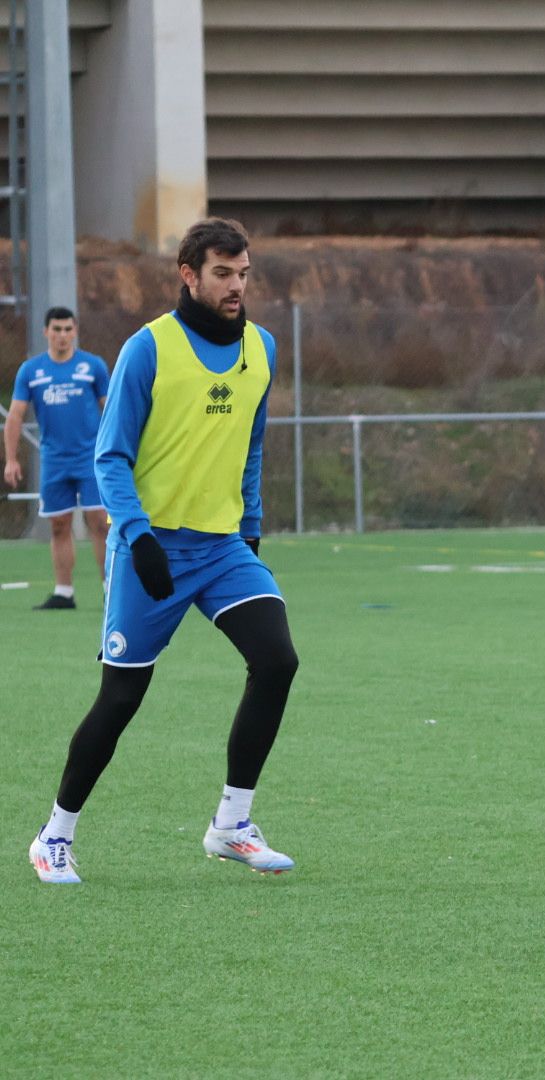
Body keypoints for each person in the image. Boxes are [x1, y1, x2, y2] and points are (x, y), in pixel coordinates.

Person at [27, 218, 299, 884]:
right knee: (121, 698)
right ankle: (54, 835)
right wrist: (138, 534)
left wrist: (252, 524)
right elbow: (110, 455)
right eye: (222, 275)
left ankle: (231, 825)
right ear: (189, 274)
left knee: (277, 660)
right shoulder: (148, 349)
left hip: (222, 547)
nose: (237, 287)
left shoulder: (260, 348)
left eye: (243, 275)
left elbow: (252, 447)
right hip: (151, 548)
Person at [4, 307, 111, 609]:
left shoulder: (93, 366)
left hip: (91, 459)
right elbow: (15, 415)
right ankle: (64, 592)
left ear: (75, 330)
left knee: (100, 523)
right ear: (45, 332)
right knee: (59, 525)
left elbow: (112, 409)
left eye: (67, 329)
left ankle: (110, 590)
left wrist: (120, 451)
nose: (62, 335)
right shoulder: (31, 371)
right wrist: (11, 459)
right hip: (54, 461)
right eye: (56, 329)